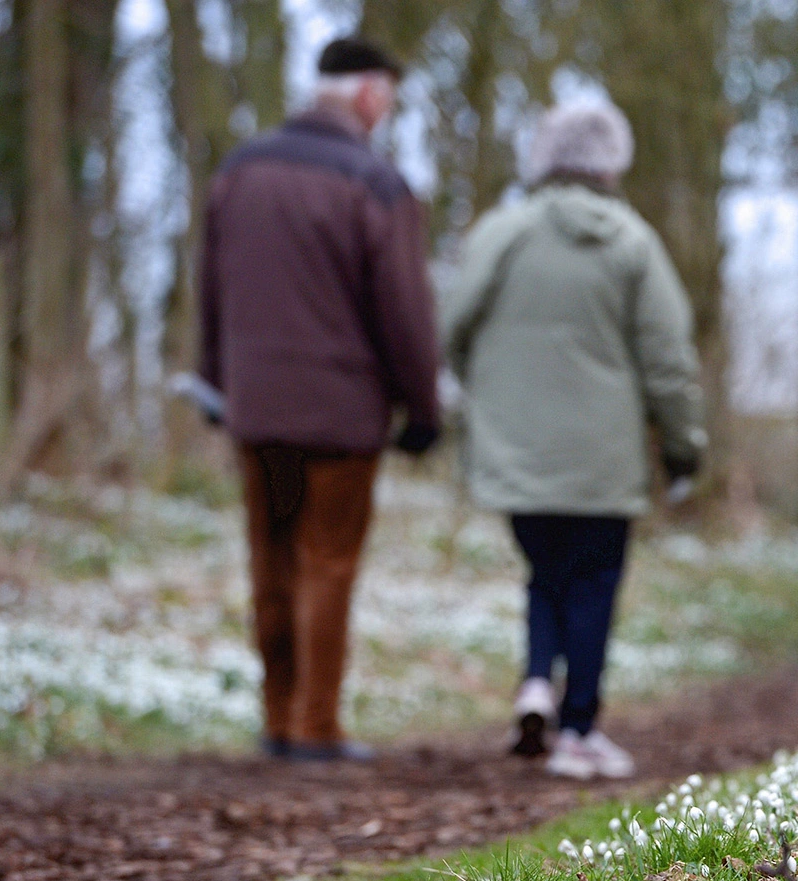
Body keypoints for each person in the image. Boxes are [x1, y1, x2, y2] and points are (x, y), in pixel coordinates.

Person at [441, 97, 705, 781]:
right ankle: (578, 730)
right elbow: (668, 358)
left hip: (515, 448)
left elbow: (453, 325)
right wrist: (683, 447)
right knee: (592, 582)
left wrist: (478, 396)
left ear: (545, 155)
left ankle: (536, 680)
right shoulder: (634, 242)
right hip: (602, 457)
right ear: (613, 160)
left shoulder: (503, 233)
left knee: (545, 572)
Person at [198, 36, 441, 761]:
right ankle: (316, 725)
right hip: (343, 414)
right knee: (327, 560)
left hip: (258, 406)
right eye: (388, 97)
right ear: (368, 93)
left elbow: (211, 290)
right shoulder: (375, 183)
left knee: (269, 557)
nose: (387, 111)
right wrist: (422, 408)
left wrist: (215, 379)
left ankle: (277, 716)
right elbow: (404, 312)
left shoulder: (239, 171)